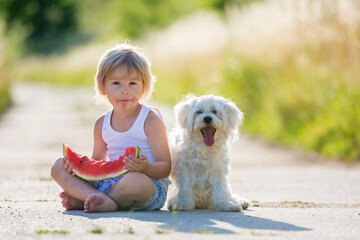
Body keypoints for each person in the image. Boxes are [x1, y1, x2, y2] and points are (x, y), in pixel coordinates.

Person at [51, 43, 171, 212]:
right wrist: (76, 173)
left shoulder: (150, 120)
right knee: (58, 166)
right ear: (103, 87)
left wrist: (146, 168)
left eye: (132, 83)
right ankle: (100, 199)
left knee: (135, 181)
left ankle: (89, 199)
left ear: (143, 86)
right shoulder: (102, 123)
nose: (125, 91)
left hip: (148, 186)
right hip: (109, 183)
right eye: (116, 83)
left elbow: (165, 166)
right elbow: (96, 167)